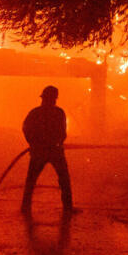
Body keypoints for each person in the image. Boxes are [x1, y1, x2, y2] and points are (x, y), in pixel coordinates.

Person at [20, 85, 73, 215]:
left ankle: (25, 207)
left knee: (31, 180)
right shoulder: (59, 113)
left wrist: (33, 143)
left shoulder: (35, 113)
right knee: (64, 179)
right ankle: (68, 208)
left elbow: (26, 129)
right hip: (55, 151)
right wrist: (58, 142)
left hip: (40, 152)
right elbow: (63, 132)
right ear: (54, 99)